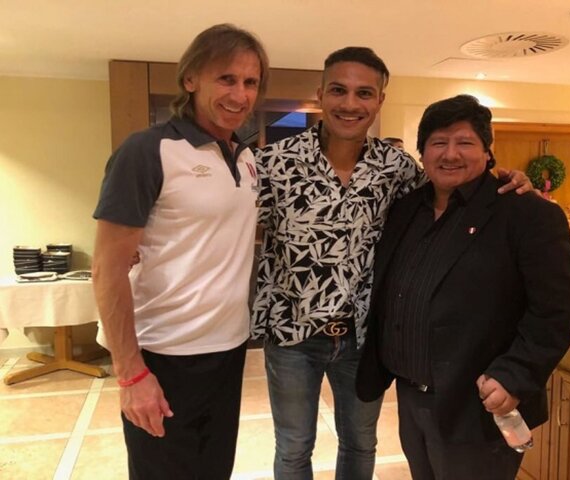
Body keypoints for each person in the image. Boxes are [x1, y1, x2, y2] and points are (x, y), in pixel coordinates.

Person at [252, 48, 535, 480]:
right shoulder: (273, 163)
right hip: (293, 336)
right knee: (293, 448)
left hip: (365, 338)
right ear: (321, 95)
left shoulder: (397, 168)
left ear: (380, 100)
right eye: (339, 90)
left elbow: (452, 187)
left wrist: (505, 176)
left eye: (364, 93)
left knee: (360, 442)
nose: (350, 103)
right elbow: (225, 223)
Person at [356, 94, 570, 480]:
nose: (450, 154)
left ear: (487, 151)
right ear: (422, 152)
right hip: (411, 396)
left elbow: (556, 309)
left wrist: (515, 374)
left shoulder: (527, 213)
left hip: (479, 402)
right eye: (438, 142)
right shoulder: (406, 209)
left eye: (465, 142)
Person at [91, 24, 269, 480]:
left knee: (215, 471)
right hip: (164, 354)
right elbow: (107, 269)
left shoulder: (246, 158)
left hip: (229, 349)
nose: (240, 94)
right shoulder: (147, 150)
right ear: (190, 78)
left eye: (250, 82)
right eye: (226, 78)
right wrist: (131, 374)